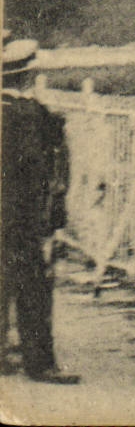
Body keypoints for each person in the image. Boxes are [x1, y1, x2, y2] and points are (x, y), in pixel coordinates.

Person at [1, 40, 79, 384]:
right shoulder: (30, 116)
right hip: (22, 217)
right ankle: (40, 364)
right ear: (29, 75)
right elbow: (37, 171)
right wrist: (49, 217)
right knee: (33, 287)